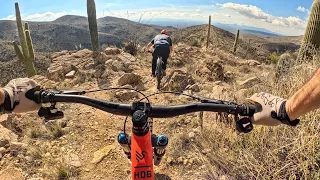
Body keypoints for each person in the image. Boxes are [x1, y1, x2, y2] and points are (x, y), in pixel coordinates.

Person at [0, 67, 320, 128]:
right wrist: (284, 109)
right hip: (162, 53)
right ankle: (158, 74)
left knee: (158, 62)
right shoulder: (164, 37)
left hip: (158, 52)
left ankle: (157, 72)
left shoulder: (159, 38)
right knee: (160, 65)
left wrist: (8, 99)